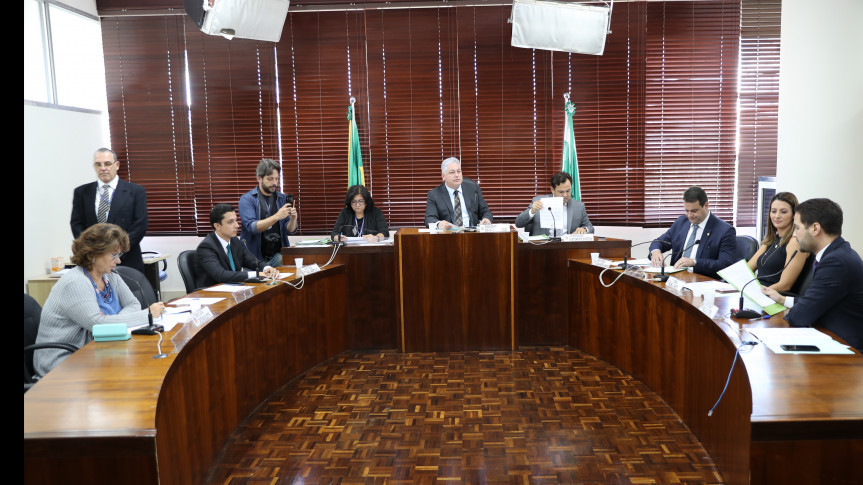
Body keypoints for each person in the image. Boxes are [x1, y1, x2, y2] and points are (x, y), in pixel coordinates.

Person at [34, 224, 165, 378]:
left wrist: (110, 323)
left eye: (119, 255)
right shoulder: (75, 282)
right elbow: (97, 324)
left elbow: (133, 304)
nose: (118, 261)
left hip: (97, 349)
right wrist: (147, 315)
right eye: (114, 255)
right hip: (63, 361)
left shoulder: (110, 276)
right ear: (93, 254)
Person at [762, 198, 863, 350]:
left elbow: (800, 316)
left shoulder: (836, 262)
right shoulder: (837, 253)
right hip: (831, 338)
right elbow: (817, 300)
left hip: (846, 349)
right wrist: (783, 300)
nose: (795, 235)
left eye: (797, 228)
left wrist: (793, 311)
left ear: (815, 228)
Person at [70, 148, 148, 273]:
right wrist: (92, 250)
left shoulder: (135, 191)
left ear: (116, 165)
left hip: (126, 259)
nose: (103, 168)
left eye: (107, 163)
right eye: (98, 164)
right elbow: (77, 224)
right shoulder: (81, 192)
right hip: (93, 261)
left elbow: (140, 225)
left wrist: (116, 252)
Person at [648, 186, 736, 279]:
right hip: (675, 280)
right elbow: (658, 242)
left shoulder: (724, 230)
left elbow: (726, 264)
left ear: (706, 206)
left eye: (694, 211)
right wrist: (656, 252)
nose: (689, 215)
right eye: (687, 210)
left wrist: (695, 262)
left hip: (702, 282)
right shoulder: (681, 222)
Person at [196, 204, 280, 287]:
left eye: (236, 220)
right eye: (230, 222)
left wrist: (266, 268)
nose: (237, 225)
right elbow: (221, 275)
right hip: (213, 294)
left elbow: (252, 261)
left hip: (234, 289)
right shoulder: (206, 247)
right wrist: (257, 274)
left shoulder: (234, 241)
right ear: (217, 226)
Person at [239, 158, 298, 268]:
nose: (274, 183)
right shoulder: (247, 199)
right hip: (254, 258)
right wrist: (277, 216)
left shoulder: (282, 198)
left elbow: (290, 230)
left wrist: (293, 219)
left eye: (276, 179)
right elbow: (252, 227)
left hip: (278, 256)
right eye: (270, 179)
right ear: (259, 178)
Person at [747, 192, 809, 291]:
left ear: (794, 215)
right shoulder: (772, 239)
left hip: (774, 298)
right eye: (774, 211)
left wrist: (758, 294)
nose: (777, 216)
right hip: (759, 294)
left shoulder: (795, 242)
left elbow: (785, 285)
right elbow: (746, 270)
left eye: (783, 212)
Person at [514, 172, 593, 236]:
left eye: (568, 191)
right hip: (542, 248)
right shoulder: (538, 201)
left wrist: (585, 229)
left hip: (567, 248)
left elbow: (590, 228)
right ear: (552, 189)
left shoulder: (579, 206)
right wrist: (532, 211)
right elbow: (518, 223)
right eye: (561, 192)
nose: (565, 195)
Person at [425, 157, 493, 229]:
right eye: (452, 172)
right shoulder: (435, 194)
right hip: (449, 234)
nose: (457, 175)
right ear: (443, 176)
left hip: (472, 233)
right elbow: (429, 218)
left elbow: (486, 211)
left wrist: (487, 219)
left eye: (459, 171)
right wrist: (438, 224)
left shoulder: (473, 188)